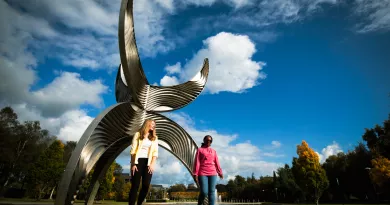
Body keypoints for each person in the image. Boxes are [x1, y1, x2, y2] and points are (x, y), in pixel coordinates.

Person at [129, 119, 159, 205]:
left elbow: (155, 152)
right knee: (135, 186)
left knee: (146, 185)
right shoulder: (138, 134)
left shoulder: (154, 138)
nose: (154, 126)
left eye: (154, 125)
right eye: (152, 124)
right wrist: (133, 164)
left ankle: (139, 203)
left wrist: (152, 164)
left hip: (148, 163)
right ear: (147, 124)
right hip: (138, 161)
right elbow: (133, 150)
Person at [193, 135, 223, 205]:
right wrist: (195, 174)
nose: (208, 141)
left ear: (211, 142)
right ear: (204, 140)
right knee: (204, 192)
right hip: (202, 173)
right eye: (207, 140)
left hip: (213, 173)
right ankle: (200, 203)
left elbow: (217, 162)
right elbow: (197, 162)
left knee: (212, 192)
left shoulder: (214, 151)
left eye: (210, 140)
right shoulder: (200, 150)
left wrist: (220, 172)